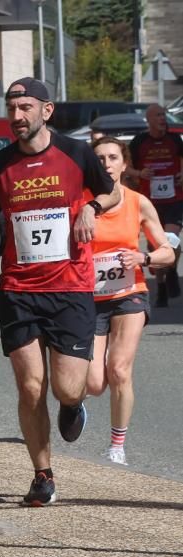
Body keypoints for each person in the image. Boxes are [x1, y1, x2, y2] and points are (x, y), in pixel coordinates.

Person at [0, 77, 120, 506]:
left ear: (46, 111)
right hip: (18, 288)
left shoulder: (76, 153)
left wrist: (91, 207)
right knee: (30, 386)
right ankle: (42, 474)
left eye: (25, 109)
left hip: (70, 286)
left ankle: (73, 407)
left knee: (68, 388)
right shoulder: (0, 164)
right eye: (11, 109)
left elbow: (111, 195)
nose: (16, 117)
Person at [86, 137, 175, 465]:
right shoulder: (82, 203)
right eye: (100, 159)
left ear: (125, 165)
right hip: (91, 297)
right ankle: (76, 403)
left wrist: (143, 256)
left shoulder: (138, 203)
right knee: (94, 383)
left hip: (129, 294)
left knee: (120, 370)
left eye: (113, 157)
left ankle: (117, 446)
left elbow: (168, 251)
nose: (107, 164)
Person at [128, 104, 183, 307]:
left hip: (174, 199)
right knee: (155, 246)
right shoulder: (139, 141)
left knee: (171, 240)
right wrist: (139, 174)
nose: (163, 118)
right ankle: (161, 284)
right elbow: (126, 167)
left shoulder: (175, 139)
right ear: (149, 119)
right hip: (149, 202)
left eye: (164, 115)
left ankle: (171, 271)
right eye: (158, 115)